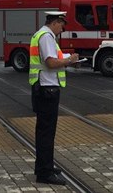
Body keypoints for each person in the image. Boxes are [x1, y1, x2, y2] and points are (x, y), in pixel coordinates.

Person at [29, 11, 79, 186]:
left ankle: (44, 166)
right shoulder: (47, 37)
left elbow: (50, 59)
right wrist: (69, 61)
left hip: (43, 88)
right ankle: (45, 172)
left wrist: (66, 58)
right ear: (55, 22)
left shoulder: (41, 34)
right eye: (62, 24)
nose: (62, 28)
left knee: (44, 131)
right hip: (46, 89)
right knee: (46, 133)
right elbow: (50, 62)